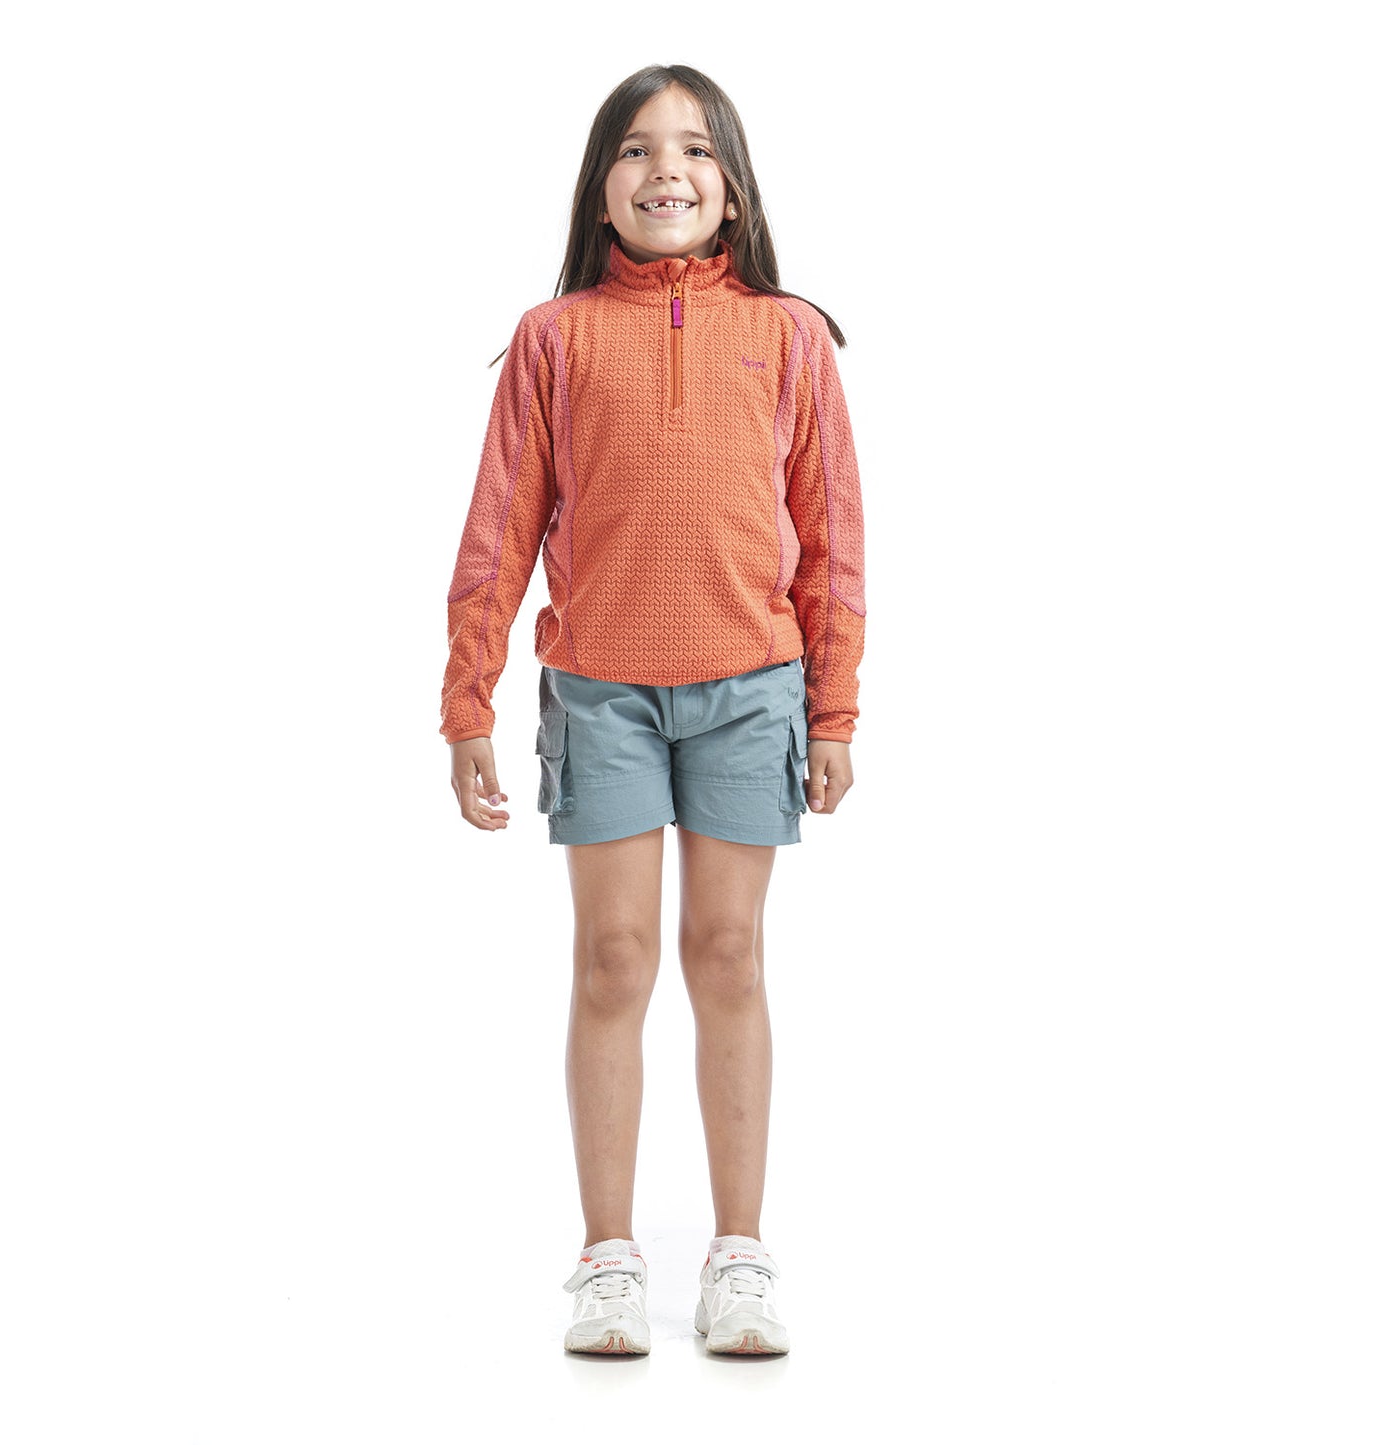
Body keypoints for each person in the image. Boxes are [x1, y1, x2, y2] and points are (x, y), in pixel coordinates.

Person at [440, 63, 865, 1356]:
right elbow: (499, 531)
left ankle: (739, 1254)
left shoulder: (789, 337)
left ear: (732, 186)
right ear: (599, 187)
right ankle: (608, 1256)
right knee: (613, 959)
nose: (663, 169)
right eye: (634, 148)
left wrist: (834, 708)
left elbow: (831, 539)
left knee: (727, 955)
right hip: (602, 693)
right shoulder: (553, 339)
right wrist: (467, 697)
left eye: (692, 148)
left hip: (752, 689)